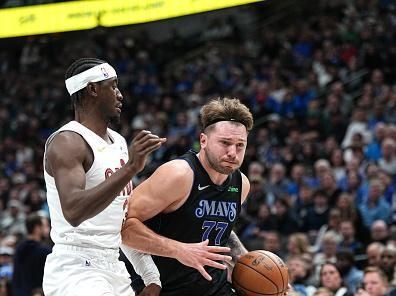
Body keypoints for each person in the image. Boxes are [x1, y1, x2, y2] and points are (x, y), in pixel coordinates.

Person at [42, 58, 166, 296]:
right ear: (93, 89)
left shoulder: (118, 142)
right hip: (76, 269)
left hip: (114, 266)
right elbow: (74, 212)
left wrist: (151, 276)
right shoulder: (67, 141)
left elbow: (119, 220)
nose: (120, 95)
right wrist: (130, 168)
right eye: (114, 86)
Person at [122, 98, 254, 295]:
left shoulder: (241, 184)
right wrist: (179, 250)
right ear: (203, 140)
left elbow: (219, 228)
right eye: (225, 143)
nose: (232, 153)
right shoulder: (179, 175)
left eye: (240, 145)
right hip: (163, 287)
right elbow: (123, 227)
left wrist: (247, 261)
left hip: (214, 288)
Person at [12, 213, 51, 296]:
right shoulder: (45, 251)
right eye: (46, 226)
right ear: (37, 228)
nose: (48, 229)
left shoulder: (18, 248)